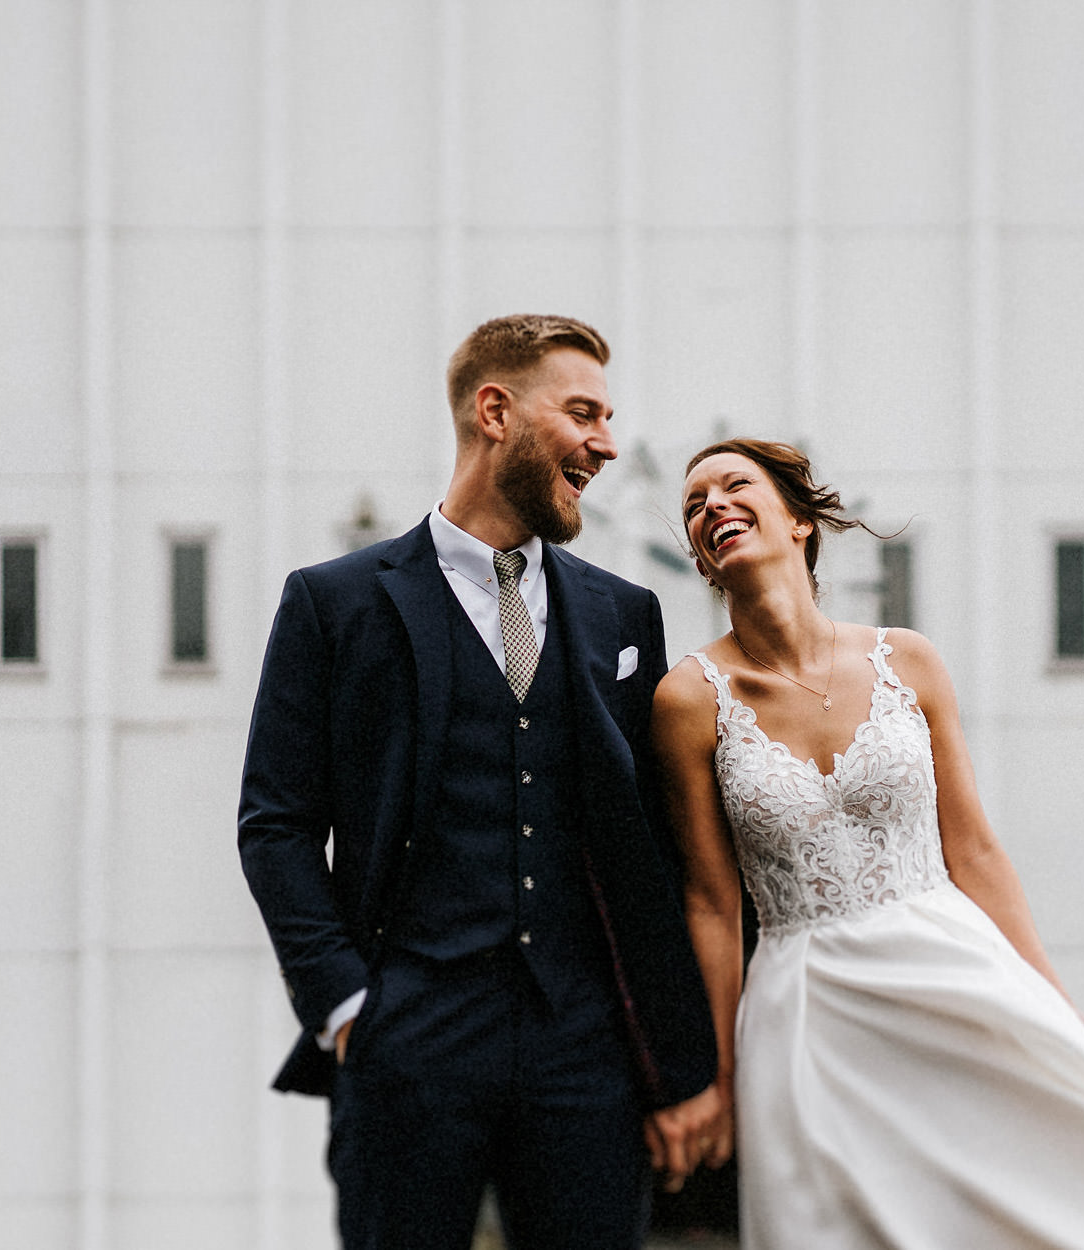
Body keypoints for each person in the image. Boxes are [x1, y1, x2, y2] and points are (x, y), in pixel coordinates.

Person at [654, 438, 1084, 1249]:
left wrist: (1053, 1002)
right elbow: (710, 900)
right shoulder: (687, 700)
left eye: (735, 486)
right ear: (702, 558)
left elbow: (975, 850)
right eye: (695, 505)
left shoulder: (907, 661)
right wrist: (724, 1076)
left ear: (801, 521)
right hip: (807, 1010)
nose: (713, 507)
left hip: (947, 966)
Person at [237, 316, 728, 1250]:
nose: (608, 444)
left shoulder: (624, 612)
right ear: (494, 411)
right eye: (583, 413)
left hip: (586, 1054)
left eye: (611, 418)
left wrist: (674, 1065)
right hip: (407, 1039)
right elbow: (277, 824)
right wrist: (345, 1007)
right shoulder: (333, 603)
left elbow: (648, 854)